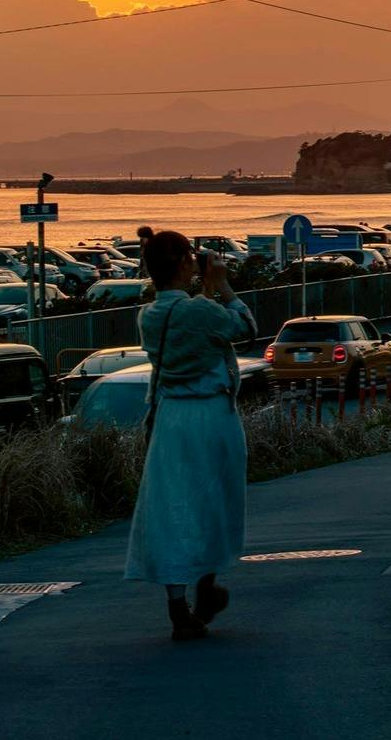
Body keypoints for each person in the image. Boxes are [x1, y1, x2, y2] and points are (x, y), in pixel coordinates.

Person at [125, 230, 256, 642]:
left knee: (172, 509)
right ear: (185, 264)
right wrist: (220, 285)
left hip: (170, 417)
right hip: (211, 415)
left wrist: (204, 288)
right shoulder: (201, 310)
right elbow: (246, 326)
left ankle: (178, 606)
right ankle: (205, 584)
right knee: (214, 502)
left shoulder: (148, 316)